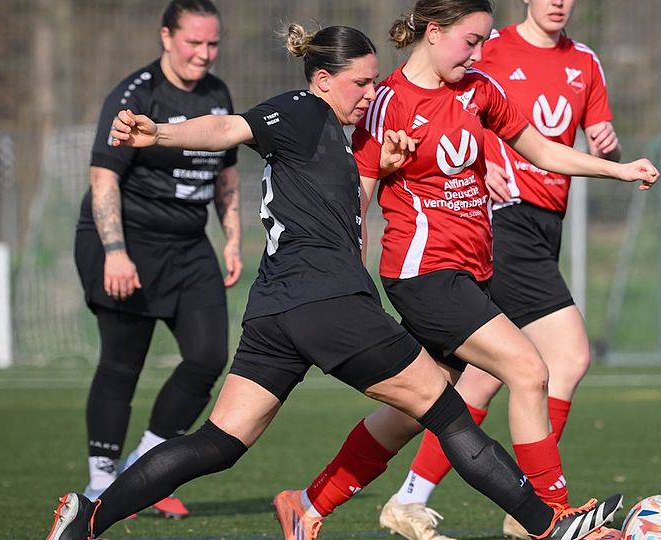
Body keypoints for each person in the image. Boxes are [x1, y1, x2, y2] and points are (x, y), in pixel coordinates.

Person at [46, 23, 615, 540]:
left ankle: (87, 519)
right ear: (323, 80)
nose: (371, 93)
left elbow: (343, 191)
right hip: (330, 302)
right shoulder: (300, 110)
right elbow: (226, 127)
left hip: (275, 309)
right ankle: (549, 526)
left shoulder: (340, 139)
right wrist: (158, 135)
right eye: (360, 83)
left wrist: (388, 163)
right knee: (447, 413)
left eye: (374, 81)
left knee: (218, 442)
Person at [273, 1, 656, 539]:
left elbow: (543, 151)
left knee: (414, 410)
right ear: (433, 32)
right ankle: (557, 518)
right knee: (529, 370)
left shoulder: (479, 90)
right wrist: (347, 279)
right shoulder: (386, 103)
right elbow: (356, 201)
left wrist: (618, 170)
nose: (477, 54)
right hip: (425, 274)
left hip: (470, 272)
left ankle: (308, 504)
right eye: (470, 41)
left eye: (482, 42)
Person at [379, 1, 623, 538]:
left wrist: (612, 154)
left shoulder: (584, 61)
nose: (558, 2)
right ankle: (541, 511)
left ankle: (404, 498)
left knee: (476, 378)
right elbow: (458, 117)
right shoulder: (488, 49)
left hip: (546, 223)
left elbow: (581, 135)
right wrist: (483, 157)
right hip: (505, 221)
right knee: (561, 358)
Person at [73, 0, 240, 520]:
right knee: (122, 363)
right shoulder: (135, 94)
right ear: (166, 37)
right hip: (128, 241)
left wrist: (232, 239)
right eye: (194, 42)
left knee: (208, 356)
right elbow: (103, 178)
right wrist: (116, 253)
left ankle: (143, 467)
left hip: (189, 246)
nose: (204, 54)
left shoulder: (218, 94)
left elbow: (226, 175)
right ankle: (102, 481)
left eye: (212, 43)